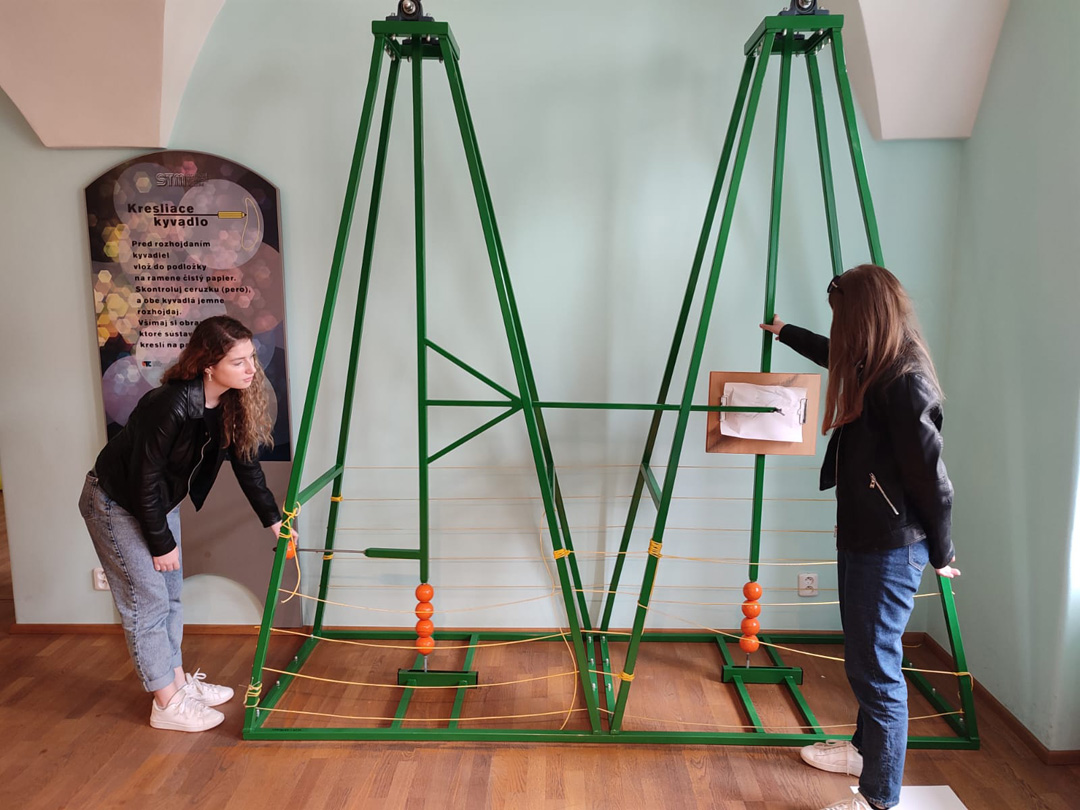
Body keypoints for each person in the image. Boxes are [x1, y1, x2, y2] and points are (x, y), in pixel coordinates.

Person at [760, 265, 960, 810]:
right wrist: (786, 332)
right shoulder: (876, 360)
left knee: (877, 672)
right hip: (864, 533)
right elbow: (835, 354)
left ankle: (878, 799)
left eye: (841, 318)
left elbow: (932, 481)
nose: (838, 329)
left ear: (862, 317)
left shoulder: (905, 381)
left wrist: (942, 552)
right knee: (865, 658)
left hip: (891, 545)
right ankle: (862, 752)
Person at [79, 316, 292, 732]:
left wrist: (273, 519)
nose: (251, 369)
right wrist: (161, 543)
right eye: (239, 362)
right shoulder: (168, 404)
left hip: (159, 503)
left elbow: (246, 465)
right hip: (117, 504)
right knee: (148, 603)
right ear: (208, 365)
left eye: (251, 358)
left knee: (172, 597)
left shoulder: (231, 400)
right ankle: (166, 703)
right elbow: (143, 479)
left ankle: (177, 683)